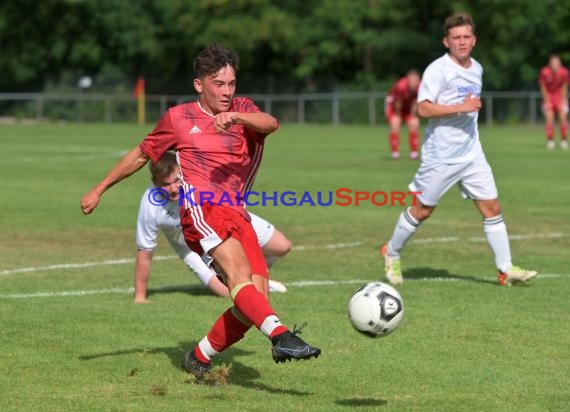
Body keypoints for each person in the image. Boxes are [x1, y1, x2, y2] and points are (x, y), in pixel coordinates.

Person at [81, 44, 320, 380]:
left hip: (238, 212)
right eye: (218, 83)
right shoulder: (178, 118)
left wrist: (236, 116)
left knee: (255, 302)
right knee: (238, 274)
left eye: (231, 84)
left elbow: (270, 123)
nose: (226, 91)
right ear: (199, 85)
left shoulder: (242, 110)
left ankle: (198, 356)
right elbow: (140, 154)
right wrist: (100, 188)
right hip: (202, 208)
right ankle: (282, 337)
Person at [379, 12, 537, 287]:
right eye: (456, 38)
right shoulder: (437, 70)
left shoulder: (477, 68)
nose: (461, 42)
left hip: (472, 152)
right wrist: (460, 107)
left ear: (474, 40)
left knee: (492, 208)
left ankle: (505, 269)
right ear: (446, 41)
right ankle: (391, 252)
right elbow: (423, 108)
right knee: (422, 210)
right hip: (441, 155)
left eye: (466, 37)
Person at [135, 152, 290, 303]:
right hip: (192, 249)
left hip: (227, 220)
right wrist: (140, 297)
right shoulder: (150, 206)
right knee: (231, 293)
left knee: (282, 246)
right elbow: (145, 252)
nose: (174, 188)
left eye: (176, 180)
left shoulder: (195, 179)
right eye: (166, 184)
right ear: (155, 182)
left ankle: (250, 275)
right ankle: (257, 281)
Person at [385, 69, 421, 160]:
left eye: (415, 80)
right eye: (411, 80)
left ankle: (414, 153)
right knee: (395, 123)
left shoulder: (420, 86)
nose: (413, 82)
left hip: (409, 108)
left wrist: (412, 115)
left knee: (414, 123)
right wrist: (397, 115)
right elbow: (398, 102)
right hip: (395, 107)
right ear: (407, 79)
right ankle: (395, 153)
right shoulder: (401, 85)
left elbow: (415, 102)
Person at [538, 54, 569, 150]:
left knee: (563, 117)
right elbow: (543, 87)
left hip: (560, 96)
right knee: (549, 118)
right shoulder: (544, 72)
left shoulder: (564, 72)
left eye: (557, 62)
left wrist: (563, 100)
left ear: (560, 63)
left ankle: (564, 141)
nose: (555, 64)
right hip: (549, 97)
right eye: (553, 63)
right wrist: (547, 101)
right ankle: (550, 141)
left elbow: (565, 86)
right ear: (549, 64)